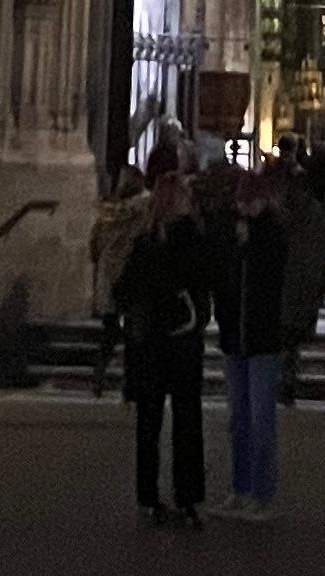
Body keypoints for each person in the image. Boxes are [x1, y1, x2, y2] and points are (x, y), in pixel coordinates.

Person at [113, 163, 214, 528]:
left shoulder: (145, 242)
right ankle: (187, 497)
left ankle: (149, 495)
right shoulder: (190, 238)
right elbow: (206, 279)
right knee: (186, 421)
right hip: (181, 341)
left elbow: (124, 290)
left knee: (150, 423)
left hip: (151, 344)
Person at [214, 160, 287, 521]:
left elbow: (274, 283)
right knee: (238, 419)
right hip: (236, 338)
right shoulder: (232, 235)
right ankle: (239, 488)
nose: (243, 208)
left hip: (261, 338)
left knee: (260, 419)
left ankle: (261, 493)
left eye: (247, 202)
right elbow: (224, 281)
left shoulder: (272, 234)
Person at [87, 150, 154, 398]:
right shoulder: (144, 206)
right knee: (133, 332)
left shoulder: (108, 212)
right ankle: (130, 383)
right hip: (131, 273)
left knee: (111, 329)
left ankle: (101, 374)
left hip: (111, 273)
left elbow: (93, 244)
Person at [274, 150, 325, 404]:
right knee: (290, 337)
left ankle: (285, 380)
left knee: (287, 336)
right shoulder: (311, 214)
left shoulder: (286, 214)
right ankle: (286, 380)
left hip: (291, 282)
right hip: (299, 283)